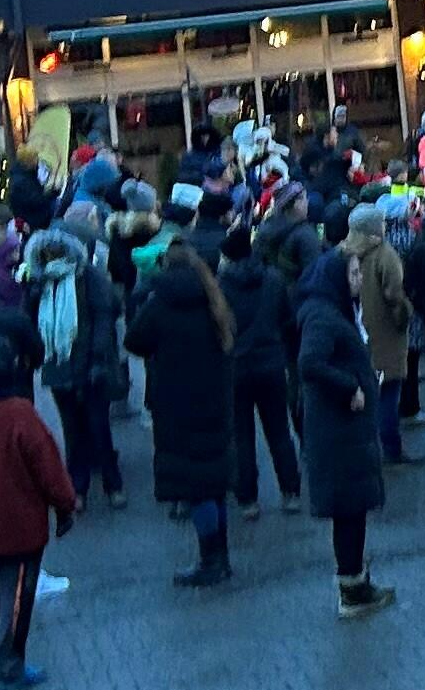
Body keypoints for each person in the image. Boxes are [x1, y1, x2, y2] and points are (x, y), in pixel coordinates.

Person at [0, 334, 88, 674]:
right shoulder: (19, 414)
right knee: (16, 599)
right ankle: (10, 665)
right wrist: (65, 505)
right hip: (18, 531)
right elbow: (48, 468)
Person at [127, 238, 240, 588]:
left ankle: (210, 559)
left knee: (196, 487)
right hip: (215, 399)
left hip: (176, 403)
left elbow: (134, 340)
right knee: (214, 481)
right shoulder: (213, 299)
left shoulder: (159, 304)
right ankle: (221, 556)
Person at [289, 252, 395, 617]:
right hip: (338, 432)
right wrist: (351, 387)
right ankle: (351, 589)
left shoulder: (334, 310)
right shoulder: (322, 315)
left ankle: (357, 580)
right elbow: (310, 362)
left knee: (353, 510)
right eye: (352, 273)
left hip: (346, 431)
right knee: (348, 510)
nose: (358, 279)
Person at [23, 229, 128, 512]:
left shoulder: (87, 277)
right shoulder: (40, 281)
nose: (52, 259)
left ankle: (112, 484)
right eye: (47, 254)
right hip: (58, 364)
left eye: (56, 253)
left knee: (98, 427)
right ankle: (77, 487)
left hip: (90, 363)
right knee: (72, 430)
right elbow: (30, 322)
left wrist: (97, 358)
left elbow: (104, 315)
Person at [215, 216, 303, 523]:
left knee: (241, 435)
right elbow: (288, 320)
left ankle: (248, 499)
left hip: (236, 368)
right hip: (271, 364)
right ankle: (291, 490)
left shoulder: (222, 286)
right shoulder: (274, 279)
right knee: (279, 430)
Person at [345, 201, 419, 465]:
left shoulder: (343, 253)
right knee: (389, 393)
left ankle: (364, 446)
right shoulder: (385, 255)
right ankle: (392, 449)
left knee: (365, 391)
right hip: (386, 333)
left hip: (357, 330)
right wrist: (404, 315)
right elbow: (394, 295)